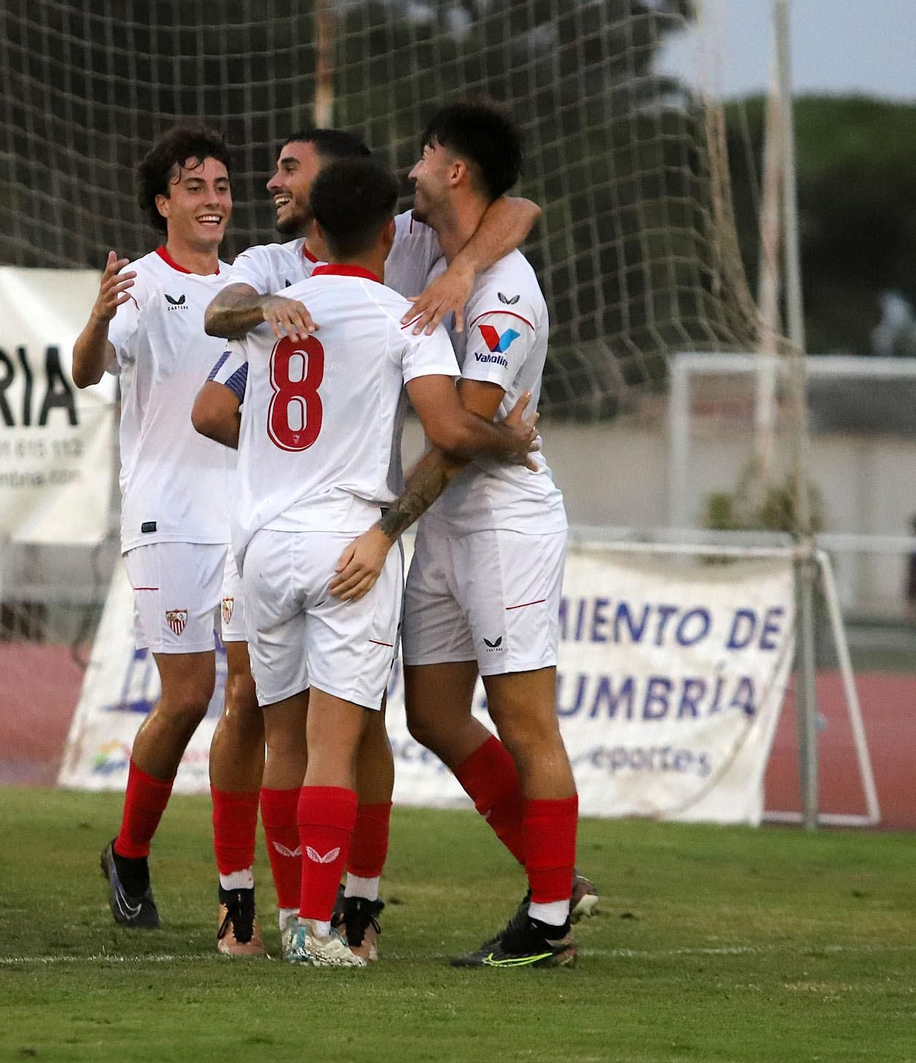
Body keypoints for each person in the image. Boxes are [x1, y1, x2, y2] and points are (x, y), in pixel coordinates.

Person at [195, 126, 541, 961]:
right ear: (390, 236)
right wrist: (510, 440)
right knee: (339, 744)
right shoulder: (403, 316)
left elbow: (218, 329)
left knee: (282, 738)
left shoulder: (269, 310)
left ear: (312, 230)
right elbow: (449, 428)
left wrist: (257, 313)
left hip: (263, 545)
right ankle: (321, 925)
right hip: (349, 545)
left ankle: (280, 918)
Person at [370, 101, 592, 967]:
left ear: (455, 171)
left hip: (503, 519)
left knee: (523, 718)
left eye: (426, 151)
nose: (413, 163)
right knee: (431, 713)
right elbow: (515, 206)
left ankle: (546, 921)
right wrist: (457, 264)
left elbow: (460, 438)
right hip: (452, 520)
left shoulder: (510, 293)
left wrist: (386, 530)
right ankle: (557, 878)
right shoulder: (425, 245)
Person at [70, 126, 263, 952]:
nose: (214, 197)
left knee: (248, 697)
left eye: (222, 184)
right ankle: (129, 853)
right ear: (164, 201)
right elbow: (84, 371)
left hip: (246, 516)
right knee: (186, 697)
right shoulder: (141, 284)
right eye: (195, 185)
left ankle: (237, 895)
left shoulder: (251, 284)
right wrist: (94, 316)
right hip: (165, 514)